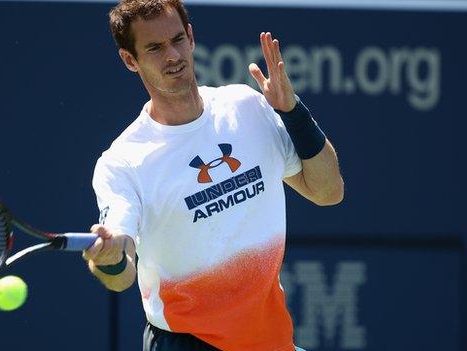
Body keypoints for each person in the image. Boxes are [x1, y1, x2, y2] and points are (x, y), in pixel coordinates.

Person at [82, 1, 344, 350]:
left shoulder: (245, 107)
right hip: (186, 343)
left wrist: (293, 112)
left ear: (190, 37)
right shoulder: (123, 162)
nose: (172, 55)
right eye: (155, 48)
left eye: (177, 39)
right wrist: (111, 259)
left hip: (271, 339)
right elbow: (122, 272)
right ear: (131, 60)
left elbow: (328, 191)